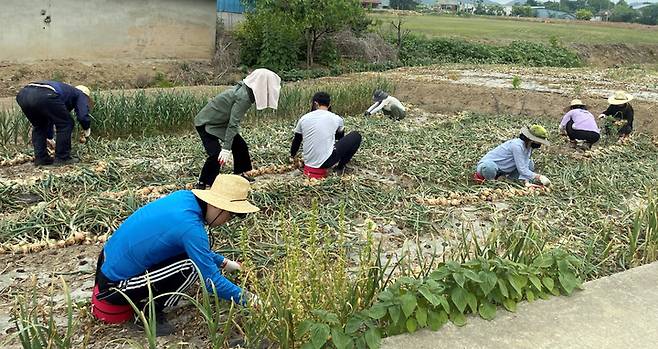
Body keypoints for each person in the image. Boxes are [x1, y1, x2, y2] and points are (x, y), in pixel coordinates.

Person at [92, 174, 260, 336]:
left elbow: (191, 247)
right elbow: (211, 282)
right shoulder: (191, 228)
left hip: (107, 263)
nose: (228, 221)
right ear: (218, 206)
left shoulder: (185, 199)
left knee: (190, 258)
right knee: (192, 268)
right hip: (114, 287)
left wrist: (224, 263)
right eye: (230, 215)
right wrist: (253, 301)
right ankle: (149, 311)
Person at [194, 69, 281, 188]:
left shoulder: (247, 91)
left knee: (240, 145)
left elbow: (232, 122)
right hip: (207, 123)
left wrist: (229, 145)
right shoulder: (244, 97)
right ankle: (203, 182)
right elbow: (233, 123)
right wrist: (226, 149)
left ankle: (240, 174)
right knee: (216, 154)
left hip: (220, 122)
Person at [15, 81, 93, 166]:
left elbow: (51, 117)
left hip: (23, 95)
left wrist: (50, 137)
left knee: (40, 125)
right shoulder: (80, 94)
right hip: (44, 95)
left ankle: (41, 158)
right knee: (66, 123)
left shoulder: (66, 92)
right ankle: (62, 158)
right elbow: (83, 115)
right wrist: (86, 128)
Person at [291, 92, 362, 178]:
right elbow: (340, 138)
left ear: (315, 103)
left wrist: (292, 155)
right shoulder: (337, 119)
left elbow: (297, 140)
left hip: (308, 161)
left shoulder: (304, 118)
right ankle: (340, 167)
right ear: (329, 105)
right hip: (326, 162)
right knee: (356, 135)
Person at [473, 125, 551, 186]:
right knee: (489, 167)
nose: (539, 144)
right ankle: (489, 181)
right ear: (531, 140)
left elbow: (525, 165)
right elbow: (522, 169)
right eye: (539, 142)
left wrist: (526, 182)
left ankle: (507, 180)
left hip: (504, 171)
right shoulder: (517, 145)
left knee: (530, 164)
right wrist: (539, 177)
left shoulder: (528, 147)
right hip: (489, 167)